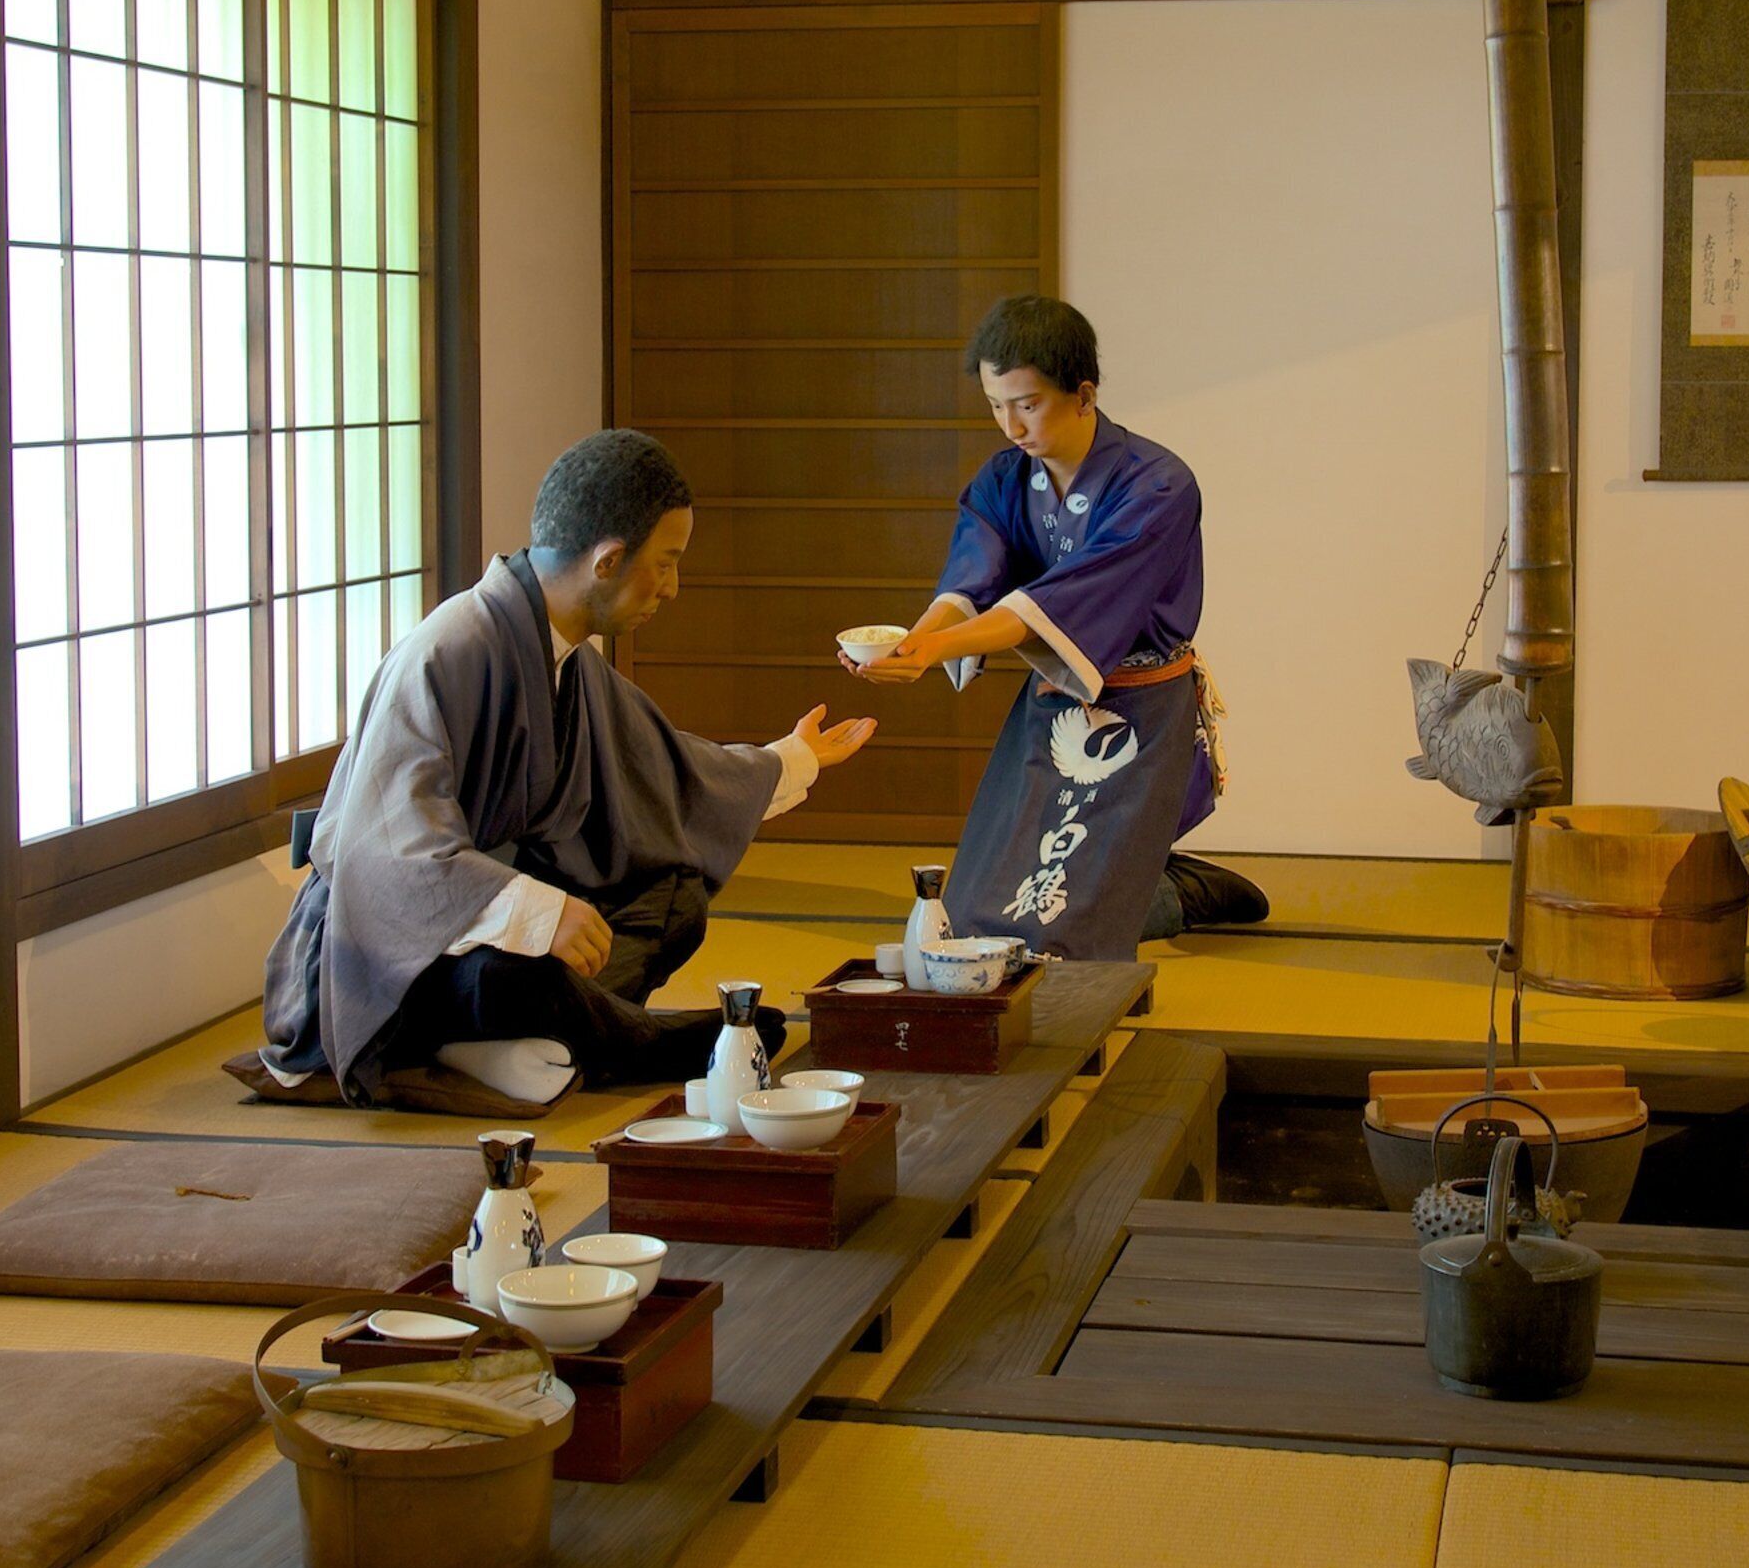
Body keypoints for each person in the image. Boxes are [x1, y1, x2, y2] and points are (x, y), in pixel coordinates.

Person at [251, 430, 877, 1110]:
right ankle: (631, 1042)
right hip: (386, 956)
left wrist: (792, 757)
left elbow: (661, 767)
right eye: (665, 564)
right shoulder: (449, 651)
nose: (672, 588)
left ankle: (519, 1045)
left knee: (672, 897)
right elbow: (389, 851)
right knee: (511, 975)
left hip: (487, 936)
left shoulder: (562, 654)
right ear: (609, 560)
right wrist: (533, 911)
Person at [847, 297, 1246, 959]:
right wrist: (914, 640)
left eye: (1026, 403)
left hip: (1139, 708)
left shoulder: (1158, 485)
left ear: (1083, 394)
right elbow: (971, 584)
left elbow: (1058, 605)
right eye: (995, 404)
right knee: (984, 897)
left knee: (1080, 917)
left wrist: (934, 648)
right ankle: (1158, 879)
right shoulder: (1004, 480)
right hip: (1055, 696)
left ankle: (1181, 891)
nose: (1009, 425)